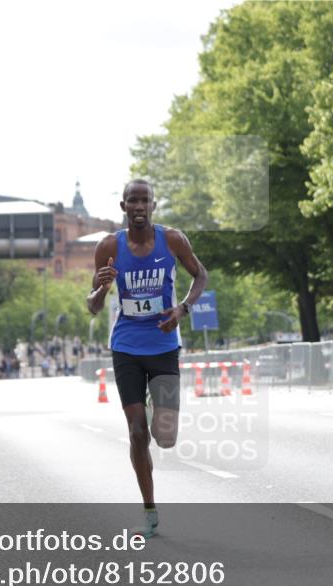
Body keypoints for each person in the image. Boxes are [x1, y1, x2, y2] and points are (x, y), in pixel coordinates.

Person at [86, 179, 208, 538]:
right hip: (126, 347)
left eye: (145, 201)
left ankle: (158, 405)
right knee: (138, 433)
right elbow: (93, 307)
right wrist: (101, 288)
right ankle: (150, 512)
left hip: (165, 345)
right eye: (132, 202)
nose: (139, 207)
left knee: (165, 437)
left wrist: (182, 309)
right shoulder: (108, 246)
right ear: (123, 208)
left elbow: (200, 274)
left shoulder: (172, 240)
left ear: (153, 205)